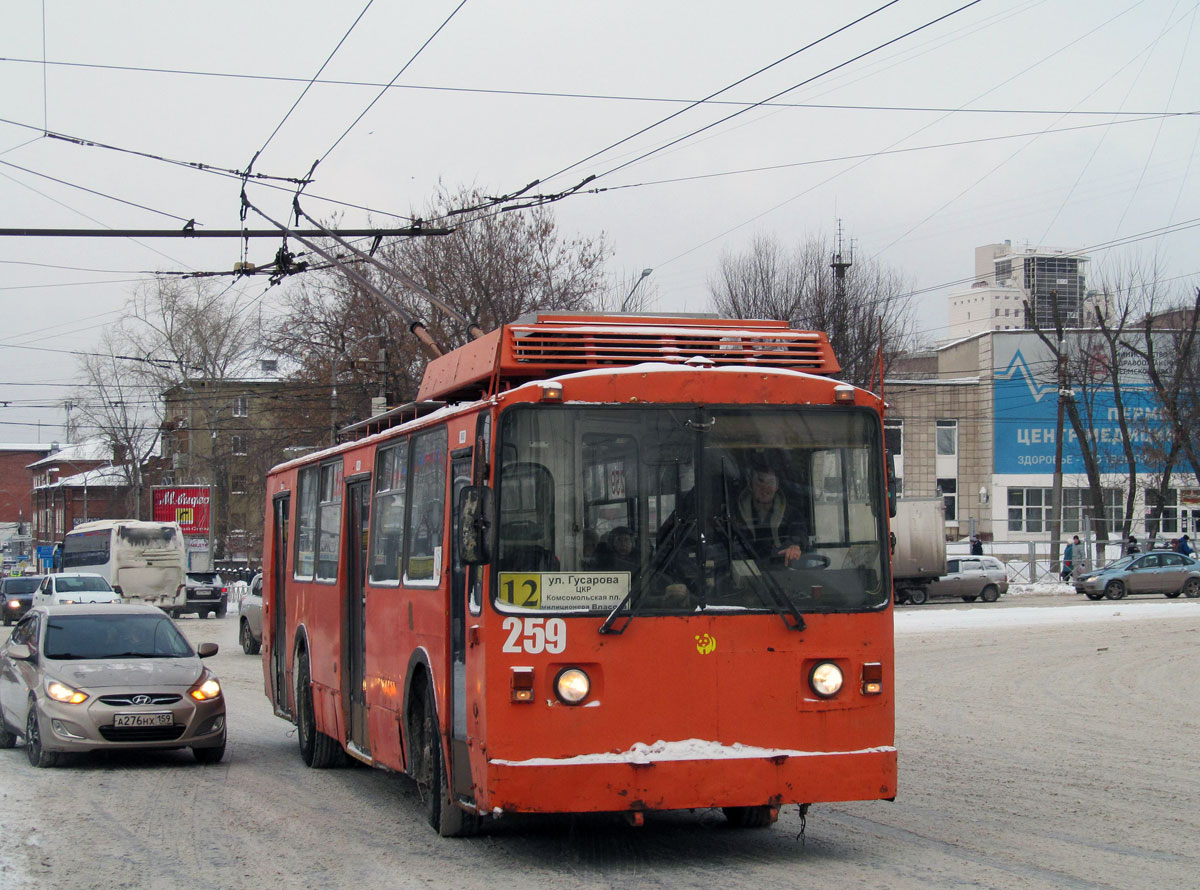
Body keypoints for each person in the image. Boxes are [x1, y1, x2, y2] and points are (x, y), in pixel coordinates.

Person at [732, 459, 807, 565]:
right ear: (750, 485)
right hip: (744, 571)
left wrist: (795, 546)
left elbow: (799, 532)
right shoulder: (734, 514)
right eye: (760, 481)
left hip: (781, 573)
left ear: (776, 487)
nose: (765, 487)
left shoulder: (792, 514)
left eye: (770, 482)